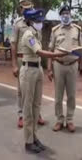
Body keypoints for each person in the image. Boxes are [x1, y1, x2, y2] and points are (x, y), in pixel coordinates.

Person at [20, 9, 67, 153]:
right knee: (28, 107)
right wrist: (56, 55)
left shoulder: (37, 33)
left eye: (40, 20)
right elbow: (39, 52)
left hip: (37, 69)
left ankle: (34, 136)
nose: (40, 23)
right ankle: (28, 141)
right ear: (31, 21)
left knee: (36, 106)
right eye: (38, 20)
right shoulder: (28, 35)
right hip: (28, 71)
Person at [47, 5, 82, 133]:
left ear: (70, 14)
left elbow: (81, 49)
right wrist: (49, 69)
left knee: (72, 95)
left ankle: (69, 120)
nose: (65, 15)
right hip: (58, 65)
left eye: (67, 13)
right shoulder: (55, 30)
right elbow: (50, 50)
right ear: (60, 16)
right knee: (58, 95)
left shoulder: (77, 30)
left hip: (73, 65)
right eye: (63, 13)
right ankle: (59, 120)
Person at [11, 0, 44, 128]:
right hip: (21, 58)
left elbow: (39, 43)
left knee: (35, 89)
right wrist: (13, 64)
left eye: (29, 8)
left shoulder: (36, 23)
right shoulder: (17, 24)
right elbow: (13, 43)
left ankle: (37, 114)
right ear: (21, 9)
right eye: (25, 8)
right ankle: (21, 115)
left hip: (35, 58)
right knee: (21, 89)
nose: (27, 10)